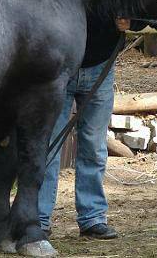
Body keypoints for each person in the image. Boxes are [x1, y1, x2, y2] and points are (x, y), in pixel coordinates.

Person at [37, 14, 132, 239]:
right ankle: (38, 218)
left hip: (101, 64)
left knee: (94, 146)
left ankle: (93, 218)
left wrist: (133, 23)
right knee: (49, 144)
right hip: (60, 64)